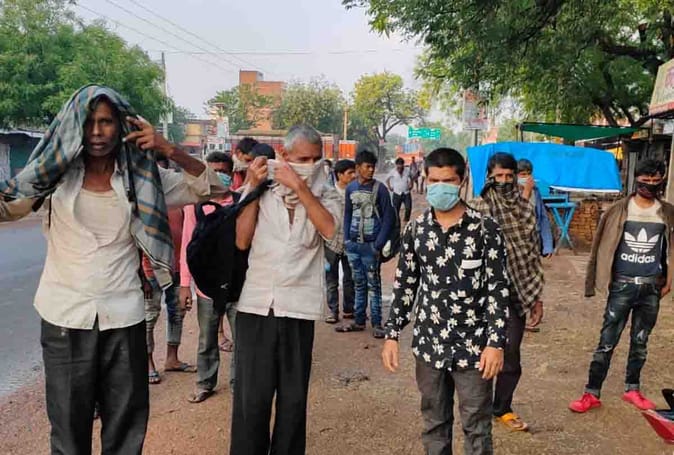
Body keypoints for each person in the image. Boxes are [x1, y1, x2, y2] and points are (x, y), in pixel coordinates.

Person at [0, 85, 225, 454]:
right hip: (64, 316)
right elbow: (8, 207)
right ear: (74, 126)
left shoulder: (143, 179)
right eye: (88, 122)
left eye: (106, 122)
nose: (97, 131)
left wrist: (169, 149)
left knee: (125, 427)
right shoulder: (54, 176)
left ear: (122, 125)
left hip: (124, 316)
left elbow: (213, 187)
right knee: (68, 429)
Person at [382, 148, 508, 455]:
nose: (441, 187)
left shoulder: (485, 229)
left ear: (461, 181)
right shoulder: (416, 230)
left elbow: (498, 288)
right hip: (430, 345)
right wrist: (392, 334)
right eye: (434, 180)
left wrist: (496, 343)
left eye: (448, 181)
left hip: (474, 348)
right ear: (425, 179)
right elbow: (405, 284)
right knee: (434, 424)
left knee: (477, 427)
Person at [231, 124, 341, 455]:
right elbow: (241, 240)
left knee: (293, 403)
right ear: (283, 154)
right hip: (256, 306)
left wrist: (301, 189)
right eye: (302, 159)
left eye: (316, 159)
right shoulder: (260, 187)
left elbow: (331, 233)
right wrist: (253, 186)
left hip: (298, 309)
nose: (310, 165)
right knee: (252, 402)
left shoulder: (327, 193)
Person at [570, 159, 674, 413]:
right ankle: (591, 393)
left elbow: (671, 249)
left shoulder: (667, 212)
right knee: (607, 342)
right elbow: (601, 247)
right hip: (622, 286)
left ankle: (632, 389)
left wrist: (669, 280)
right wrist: (599, 280)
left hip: (651, 288)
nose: (650, 185)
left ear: (662, 180)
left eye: (655, 180)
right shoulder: (618, 210)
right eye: (645, 180)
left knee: (640, 342)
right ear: (636, 179)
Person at [470, 152, 544, 432]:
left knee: (510, 352)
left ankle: (502, 406)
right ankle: (476, 405)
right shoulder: (477, 207)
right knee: (481, 351)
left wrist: (536, 298)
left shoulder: (524, 208)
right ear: (489, 176)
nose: (503, 181)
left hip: (516, 292)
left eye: (508, 176)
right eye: (498, 176)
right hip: (482, 293)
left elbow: (531, 253)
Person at [180, 151, 239, 403]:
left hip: (238, 286)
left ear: (231, 173)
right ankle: (205, 382)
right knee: (207, 339)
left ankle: (239, 383)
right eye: (213, 172)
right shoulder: (195, 206)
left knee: (242, 339)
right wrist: (185, 285)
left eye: (223, 172)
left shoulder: (242, 202)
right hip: (206, 288)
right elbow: (188, 245)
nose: (219, 176)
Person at [336, 149, 395, 338]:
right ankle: (359, 321)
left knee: (374, 285)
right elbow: (347, 214)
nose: (371, 170)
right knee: (359, 284)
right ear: (358, 167)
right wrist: (347, 240)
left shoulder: (380, 189)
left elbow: (389, 218)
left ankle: (377, 323)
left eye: (373, 167)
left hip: (370, 247)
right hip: (354, 246)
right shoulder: (351, 188)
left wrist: (378, 245)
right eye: (367, 166)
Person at [143, 205, 196, 386]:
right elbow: (139, 241)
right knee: (150, 317)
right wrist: (142, 275)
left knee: (177, 313)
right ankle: (148, 363)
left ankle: (172, 359)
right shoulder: (148, 203)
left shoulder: (180, 205)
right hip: (152, 271)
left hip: (177, 267)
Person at [324, 159, 357, 323]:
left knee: (350, 279)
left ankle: (349, 309)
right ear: (339, 175)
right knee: (331, 280)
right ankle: (333, 311)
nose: (353, 176)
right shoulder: (328, 194)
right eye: (350, 173)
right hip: (331, 243)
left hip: (350, 242)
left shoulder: (356, 193)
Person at [517, 159, 554, 257]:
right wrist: (526, 191)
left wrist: (548, 246)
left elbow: (543, 218)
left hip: (534, 240)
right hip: (517, 242)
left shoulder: (535, 192)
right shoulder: (511, 193)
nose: (527, 177)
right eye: (523, 174)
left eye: (529, 174)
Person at [386, 157, 413, 223]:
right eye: (398, 167)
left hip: (406, 193)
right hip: (396, 193)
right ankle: (397, 223)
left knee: (408, 208)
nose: (399, 169)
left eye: (401, 166)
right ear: (396, 165)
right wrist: (389, 187)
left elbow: (411, 177)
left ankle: (406, 221)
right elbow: (387, 179)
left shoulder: (407, 170)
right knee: (395, 210)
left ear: (403, 165)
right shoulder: (393, 171)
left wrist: (411, 184)